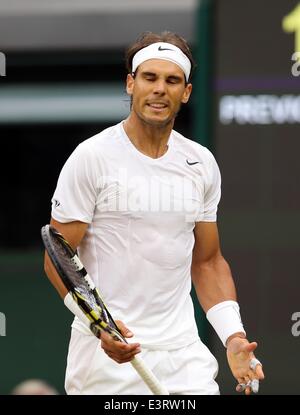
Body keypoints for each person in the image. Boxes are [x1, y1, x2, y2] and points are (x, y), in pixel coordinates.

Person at [44, 31, 264, 395]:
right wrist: (102, 328)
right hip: (105, 360)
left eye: (172, 80)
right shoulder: (91, 157)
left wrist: (233, 337)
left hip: (184, 358)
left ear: (186, 92)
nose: (160, 89)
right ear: (131, 84)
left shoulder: (201, 163)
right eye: (149, 77)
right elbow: (57, 258)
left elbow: (208, 262)